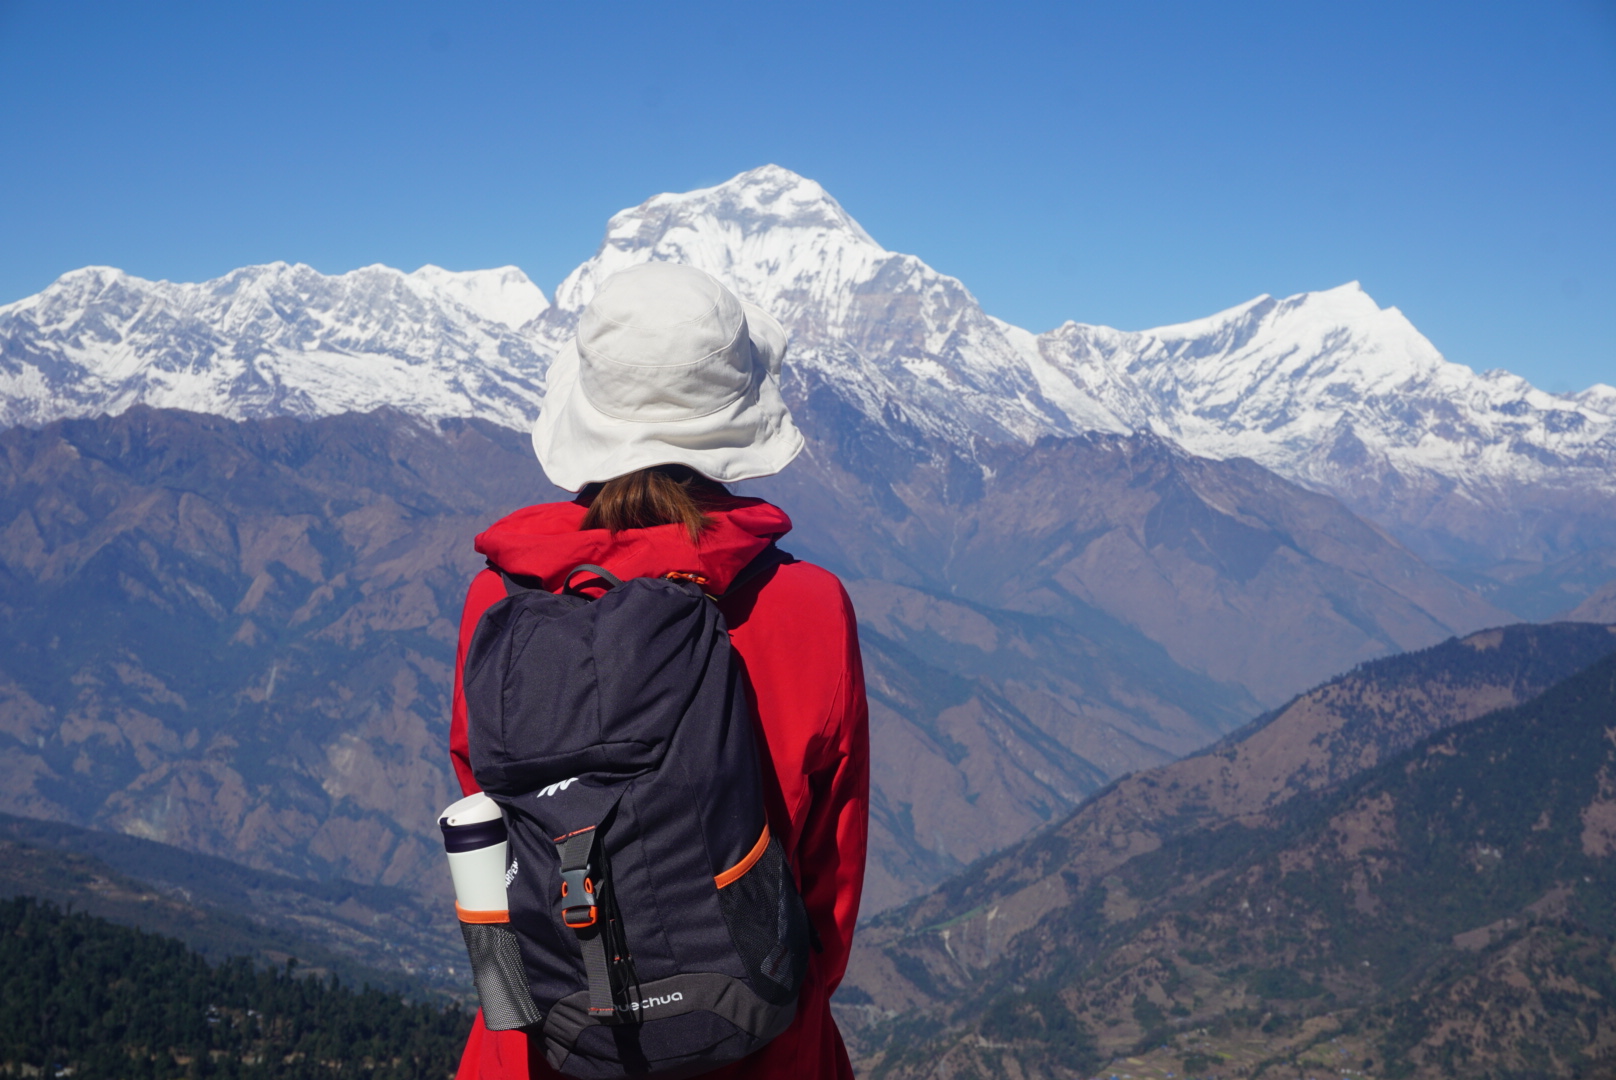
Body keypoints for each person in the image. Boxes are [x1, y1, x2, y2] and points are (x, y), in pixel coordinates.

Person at [448, 263, 869, 1080]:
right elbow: (829, 888)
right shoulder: (808, 607)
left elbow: (491, 837)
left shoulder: (495, 605)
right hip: (756, 1043)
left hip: (541, 1042)